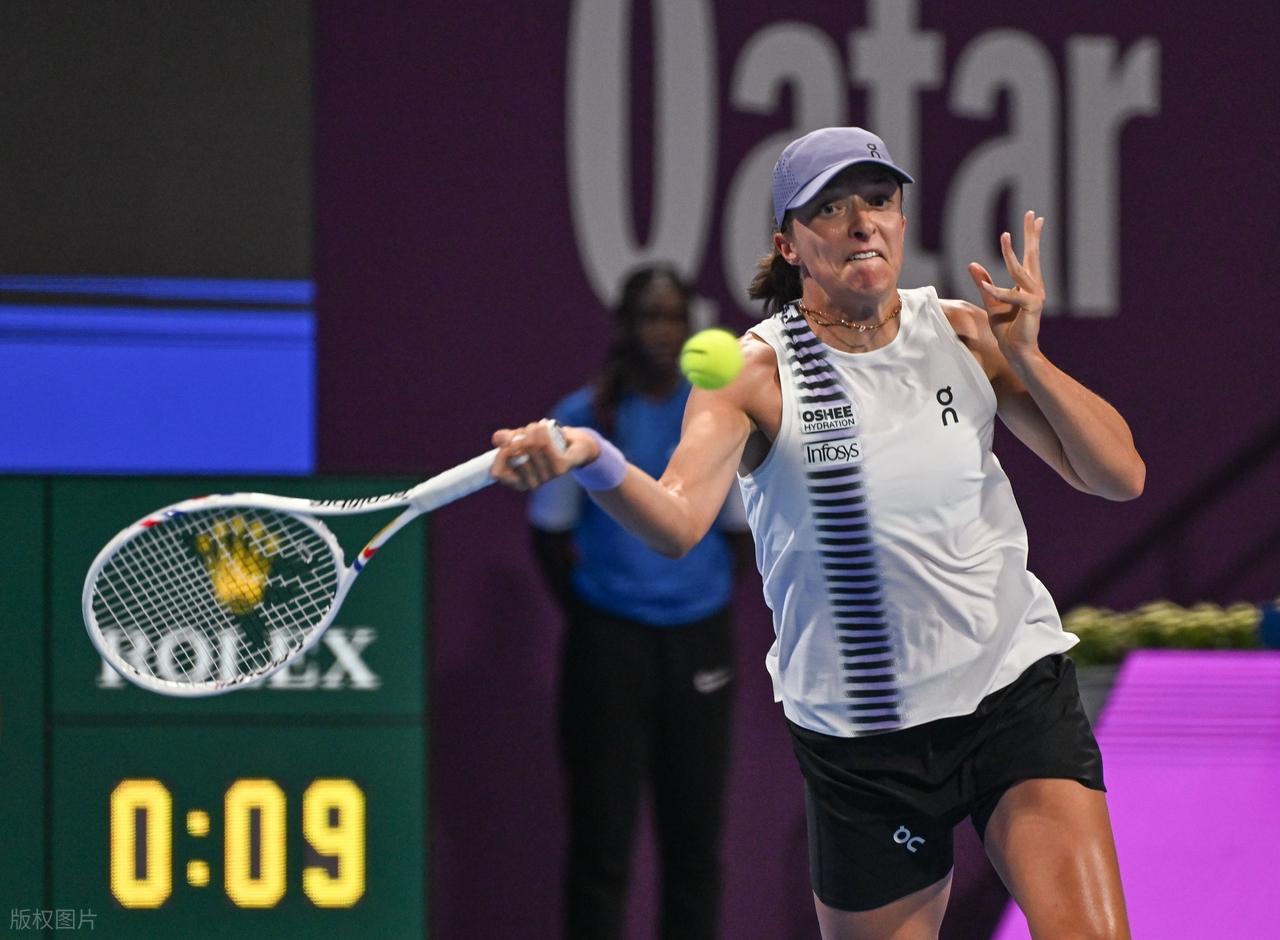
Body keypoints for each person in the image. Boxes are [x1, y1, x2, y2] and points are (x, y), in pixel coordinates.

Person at [495, 127, 1143, 939]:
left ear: (901, 219)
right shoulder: (755, 373)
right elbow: (678, 522)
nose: (861, 221)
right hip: (862, 742)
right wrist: (593, 458)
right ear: (789, 245)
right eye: (830, 208)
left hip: (1010, 694)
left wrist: (1032, 360)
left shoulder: (966, 334)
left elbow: (1119, 476)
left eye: (877, 200)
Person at [527, 264, 751, 940]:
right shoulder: (581, 418)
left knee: (694, 842)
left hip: (699, 641)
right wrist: (605, 610)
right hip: (608, 647)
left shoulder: (715, 416)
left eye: (674, 317)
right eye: (649, 316)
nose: (663, 331)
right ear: (624, 326)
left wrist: (689, 595)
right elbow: (550, 536)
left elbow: (738, 534)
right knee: (602, 840)